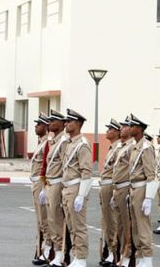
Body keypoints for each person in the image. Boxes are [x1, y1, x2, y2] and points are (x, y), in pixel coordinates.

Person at [60, 109, 93, 267]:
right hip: (67, 189)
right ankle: (76, 257)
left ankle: (81, 258)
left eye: (69, 121)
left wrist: (81, 195)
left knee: (78, 226)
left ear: (78, 124)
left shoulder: (82, 145)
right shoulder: (70, 143)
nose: (66, 124)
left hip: (75, 189)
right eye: (66, 121)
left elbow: (86, 172)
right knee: (71, 225)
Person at [127, 114, 157, 267]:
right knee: (136, 226)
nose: (129, 128)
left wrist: (148, 198)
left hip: (141, 189)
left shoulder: (146, 147)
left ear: (139, 129)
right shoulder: (135, 146)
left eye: (132, 126)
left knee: (143, 225)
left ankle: (148, 258)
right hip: (133, 189)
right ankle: (141, 257)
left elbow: (151, 175)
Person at [43, 109, 69, 267]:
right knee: (51, 219)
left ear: (62, 124)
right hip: (50, 183)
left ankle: (61, 253)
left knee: (57, 219)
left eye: (54, 121)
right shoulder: (54, 141)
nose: (50, 123)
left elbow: (65, 166)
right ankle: (56, 251)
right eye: (50, 120)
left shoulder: (63, 141)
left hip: (58, 183)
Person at [111, 115, 136, 267]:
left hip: (126, 187)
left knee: (128, 226)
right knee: (119, 225)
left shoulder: (132, 147)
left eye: (125, 126)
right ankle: (122, 254)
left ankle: (128, 256)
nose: (121, 129)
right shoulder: (122, 147)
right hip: (118, 188)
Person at [99, 119, 122, 266]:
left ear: (117, 132)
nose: (107, 131)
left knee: (112, 222)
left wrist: (114, 190)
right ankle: (109, 249)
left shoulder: (119, 148)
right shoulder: (112, 147)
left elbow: (117, 171)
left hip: (111, 186)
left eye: (111, 129)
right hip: (105, 186)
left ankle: (114, 252)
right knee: (106, 221)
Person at [31, 113, 52, 265]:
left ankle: (47, 251)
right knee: (39, 219)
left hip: (41, 183)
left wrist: (44, 186)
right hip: (35, 184)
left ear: (46, 127)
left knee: (44, 219)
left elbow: (46, 166)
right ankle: (40, 250)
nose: (36, 126)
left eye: (39, 124)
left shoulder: (48, 143)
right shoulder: (41, 143)